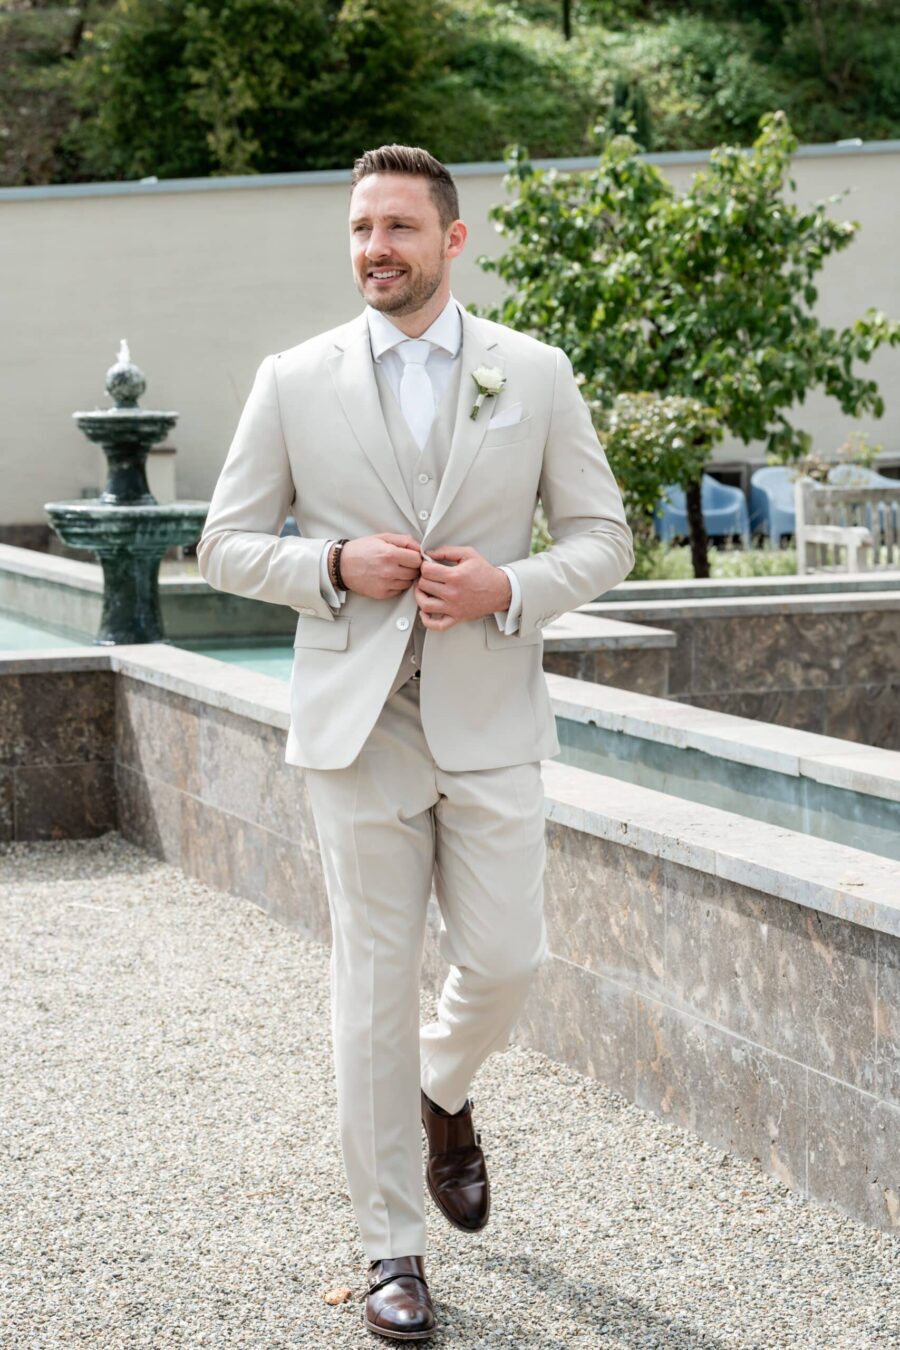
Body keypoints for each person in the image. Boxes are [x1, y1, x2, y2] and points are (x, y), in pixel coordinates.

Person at [196, 143, 633, 1342]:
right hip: (358, 731)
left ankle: (442, 1092)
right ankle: (391, 1247)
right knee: (370, 992)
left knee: (505, 961)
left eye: (397, 226)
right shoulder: (294, 378)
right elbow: (223, 546)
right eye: (358, 229)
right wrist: (332, 566)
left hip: (491, 720)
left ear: (453, 238)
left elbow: (606, 536)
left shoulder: (534, 374)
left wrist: (509, 586)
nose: (374, 248)